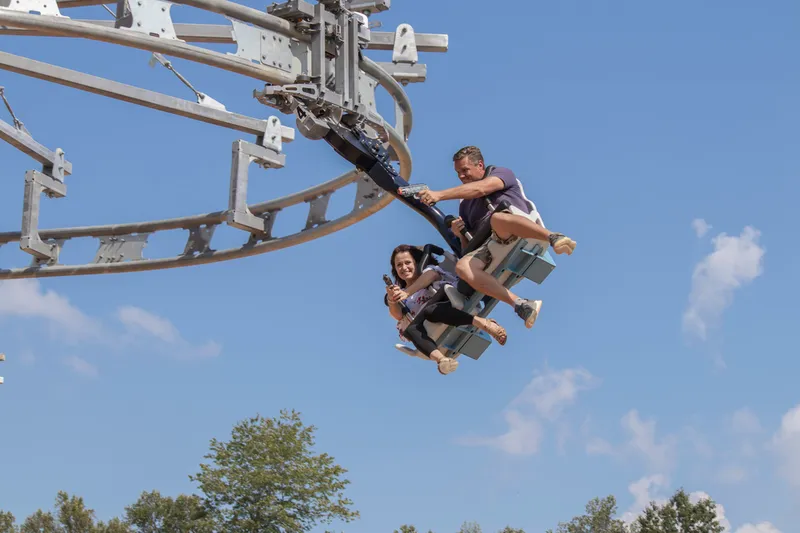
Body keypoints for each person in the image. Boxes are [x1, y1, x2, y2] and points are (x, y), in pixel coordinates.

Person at [416, 145, 576, 329]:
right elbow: (469, 246)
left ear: (480, 165)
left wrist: (439, 195)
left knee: (498, 218)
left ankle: (554, 237)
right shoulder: (465, 206)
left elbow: (481, 189)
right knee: (462, 266)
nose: (461, 176)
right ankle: (521, 304)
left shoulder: (501, 173)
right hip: (494, 245)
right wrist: (460, 233)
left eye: (465, 170)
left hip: (516, 227)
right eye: (458, 172)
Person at [385, 244, 508, 375]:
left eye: (407, 262)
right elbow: (398, 315)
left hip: (448, 304)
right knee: (410, 330)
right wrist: (392, 300)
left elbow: (431, 276)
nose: (404, 268)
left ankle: (484, 323)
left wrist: (408, 292)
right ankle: (442, 361)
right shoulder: (402, 295)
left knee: (430, 311)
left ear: (416, 262)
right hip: (431, 325)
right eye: (399, 265)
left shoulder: (428, 270)